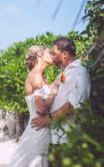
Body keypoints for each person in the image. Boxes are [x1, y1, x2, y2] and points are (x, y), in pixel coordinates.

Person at [31, 37, 91, 167]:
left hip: (68, 139)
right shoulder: (63, 73)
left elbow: (71, 106)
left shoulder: (79, 73)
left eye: (54, 53)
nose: (52, 56)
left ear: (64, 54)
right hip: (57, 138)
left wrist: (47, 118)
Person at [8, 45, 59, 167]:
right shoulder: (36, 75)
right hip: (37, 131)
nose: (52, 55)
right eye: (49, 53)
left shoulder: (38, 75)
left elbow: (43, 95)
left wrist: (53, 84)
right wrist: (55, 90)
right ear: (40, 55)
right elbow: (41, 107)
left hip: (37, 129)